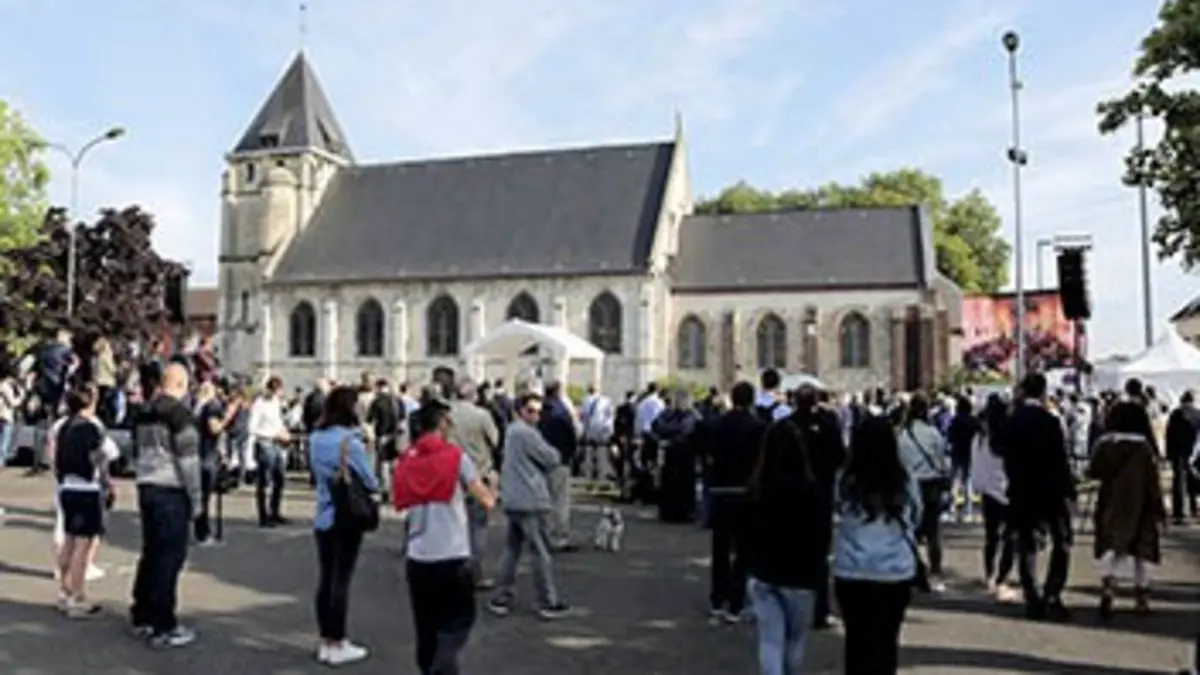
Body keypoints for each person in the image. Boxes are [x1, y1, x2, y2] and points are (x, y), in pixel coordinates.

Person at [394, 396, 496, 674]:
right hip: (451, 551)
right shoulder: (455, 457)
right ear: (441, 425)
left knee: (425, 624)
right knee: (456, 622)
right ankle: (443, 668)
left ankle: (427, 668)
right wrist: (492, 488)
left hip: (418, 553)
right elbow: (485, 500)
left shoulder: (407, 460)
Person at [741, 385, 828, 673]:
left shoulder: (760, 488)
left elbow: (749, 530)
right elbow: (820, 537)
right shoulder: (811, 492)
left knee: (770, 641)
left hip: (765, 571)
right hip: (800, 575)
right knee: (794, 641)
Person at [833, 415, 922, 675]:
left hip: (852, 568)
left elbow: (836, 509)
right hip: (894, 569)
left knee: (856, 643)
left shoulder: (845, 480)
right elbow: (915, 517)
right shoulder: (904, 480)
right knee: (886, 642)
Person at [130, 362, 201, 648]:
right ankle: (164, 624)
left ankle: (142, 613)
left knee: (151, 552)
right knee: (169, 557)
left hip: (147, 483)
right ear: (182, 385)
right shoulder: (180, 415)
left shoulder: (144, 411)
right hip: (171, 487)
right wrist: (196, 500)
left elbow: (135, 449)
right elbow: (189, 460)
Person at [309, 385, 379, 666]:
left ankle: (326, 640)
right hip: (346, 517)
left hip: (324, 514)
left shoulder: (316, 438)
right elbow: (371, 481)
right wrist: (369, 445)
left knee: (326, 579)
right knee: (341, 581)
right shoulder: (350, 442)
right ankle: (337, 641)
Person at [488, 392, 570, 620]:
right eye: (530, 411)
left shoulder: (512, 431)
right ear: (520, 410)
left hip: (513, 498)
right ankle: (547, 601)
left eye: (538, 411)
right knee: (540, 552)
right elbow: (551, 457)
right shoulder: (527, 434)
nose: (535, 416)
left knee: (512, 550)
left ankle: (500, 596)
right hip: (530, 499)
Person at [1005, 372, 1075, 621]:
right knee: (1062, 541)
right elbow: (1060, 459)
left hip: (1023, 490)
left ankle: (1032, 596)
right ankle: (1052, 593)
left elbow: (1007, 458)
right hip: (1052, 490)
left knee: (1028, 544)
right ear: (1044, 391)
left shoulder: (1013, 421)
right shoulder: (1050, 421)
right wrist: (1069, 489)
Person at [1089, 400, 1166, 619]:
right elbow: (1153, 481)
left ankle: (1109, 585)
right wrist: (1159, 507)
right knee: (1142, 551)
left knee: (1113, 547)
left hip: (1111, 500)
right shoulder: (1144, 447)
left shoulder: (1104, 444)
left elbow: (1094, 472)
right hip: (1141, 502)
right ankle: (1141, 596)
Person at [702, 381, 766, 623]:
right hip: (745, 494)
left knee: (720, 550)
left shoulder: (716, 424)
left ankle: (717, 600)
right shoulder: (758, 427)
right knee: (743, 552)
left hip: (720, 492)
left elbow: (707, 453)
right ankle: (736, 604)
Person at [54, 383, 119, 617]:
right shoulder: (91, 428)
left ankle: (63, 590)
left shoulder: (63, 427)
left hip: (66, 486)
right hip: (86, 488)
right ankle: (77, 596)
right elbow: (110, 453)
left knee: (69, 540)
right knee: (83, 545)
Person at [895, 392, 950, 593]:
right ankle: (935, 573)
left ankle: (914, 570)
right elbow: (942, 462)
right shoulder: (933, 433)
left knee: (909, 531)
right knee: (933, 532)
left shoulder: (902, 434)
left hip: (909, 485)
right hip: (931, 485)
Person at [448, 379, 499, 589]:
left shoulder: (447, 415)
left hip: (452, 473)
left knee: (455, 526)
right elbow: (495, 440)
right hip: (478, 472)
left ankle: (454, 572)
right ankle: (474, 574)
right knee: (478, 527)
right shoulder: (481, 415)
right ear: (473, 395)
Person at [972, 394, 1018, 602]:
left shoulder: (981, 438)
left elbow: (977, 466)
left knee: (991, 537)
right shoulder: (1009, 436)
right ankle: (1003, 579)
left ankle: (989, 575)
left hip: (988, 492)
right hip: (1008, 491)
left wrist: (978, 486)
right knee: (1010, 538)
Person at [249, 376, 291, 527]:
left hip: (277, 443)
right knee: (264, 481)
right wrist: (273, 434)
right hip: (265, 442)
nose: (278, 394)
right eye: (275, 391)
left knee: (279, 479)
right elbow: (253, 427)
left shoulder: (276, 403)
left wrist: (283, 431)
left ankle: (275, 511)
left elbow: (278, 421)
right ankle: (263, 515)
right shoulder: (260, 404)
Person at [1165, 391, 1200, 525]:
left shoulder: (1176, 414)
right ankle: (1194, 508)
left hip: (1178, 453)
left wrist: (1168, 453)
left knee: (1179, 482)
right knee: (1194, 481)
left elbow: (1169, 434)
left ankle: (1179, 512)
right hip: (1194, 453)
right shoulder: (1197, 414)